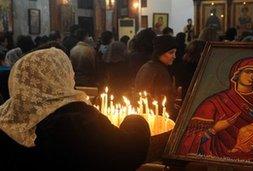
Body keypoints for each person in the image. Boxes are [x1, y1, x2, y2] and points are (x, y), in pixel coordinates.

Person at [0, 47, 150, 171]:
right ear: (60, 76)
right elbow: (128, 152)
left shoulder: (6, 116)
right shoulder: (78, 121)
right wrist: (134, 121)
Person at [178, 57, 253, 167]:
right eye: (248, 71)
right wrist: (214, 129)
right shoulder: (214, 102)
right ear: (237, 74)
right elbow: (189, 141)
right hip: (215, 162)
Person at [135, 35, 178, 119]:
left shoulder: (148, 65)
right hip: (155, 116)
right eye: (171, 52)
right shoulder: (160, 72)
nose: (174, 56)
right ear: (160, 53)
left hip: (144, 113)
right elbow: (162, 101)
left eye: (175, 53)